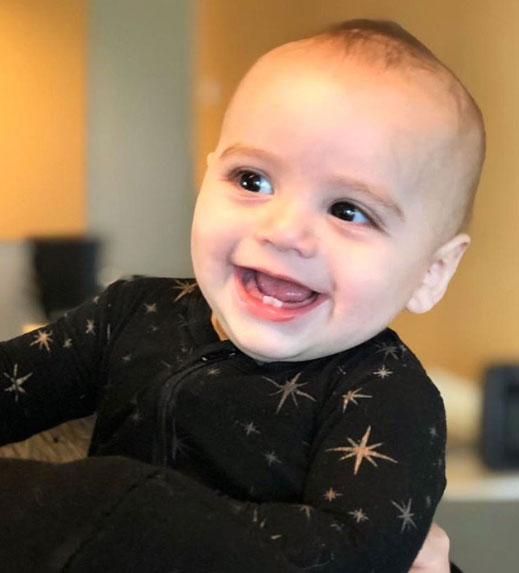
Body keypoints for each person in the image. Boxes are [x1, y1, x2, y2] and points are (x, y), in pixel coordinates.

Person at [0, 19, 484, 572]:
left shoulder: (386, 393)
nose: (283, 231)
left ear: (432, 272)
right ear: (208, 177)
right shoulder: (131, 313)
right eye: (252, 180)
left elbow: (353, 553)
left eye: (348, 211)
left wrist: (131, 511)